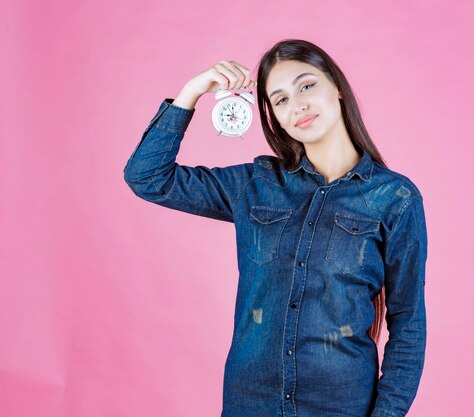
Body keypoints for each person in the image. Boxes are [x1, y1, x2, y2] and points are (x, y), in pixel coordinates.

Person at [123, 39, 428, 417]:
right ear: (274, 117)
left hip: (342, 405)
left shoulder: (394, 197)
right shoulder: (255, 185)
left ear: (336, 87)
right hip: (250, 403)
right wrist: (192, 92)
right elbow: (148, 177)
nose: (296, 104)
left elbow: (409, 324)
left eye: (306, 85)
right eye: (280, 99)